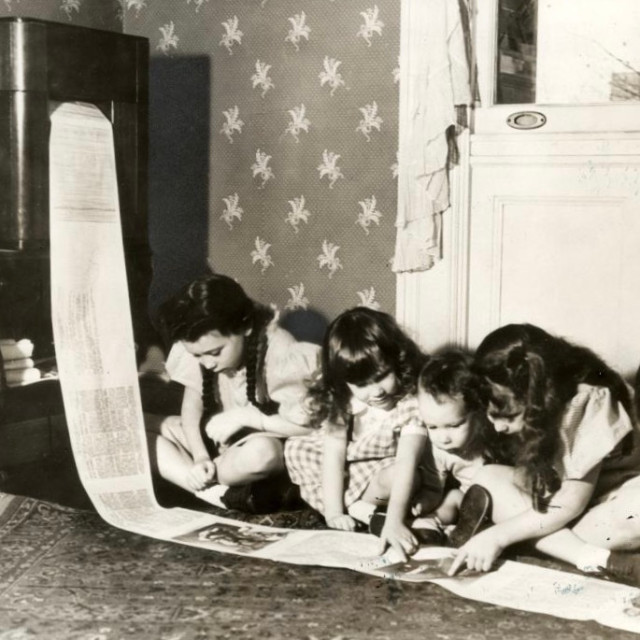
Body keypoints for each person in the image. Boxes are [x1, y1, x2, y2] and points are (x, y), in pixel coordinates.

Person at [448, 323, 640, 585]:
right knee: (489, 477)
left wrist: (499, 536)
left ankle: (548, 545)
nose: (498, 426)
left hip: (607, 499)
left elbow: (571, 503)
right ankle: (592, 557)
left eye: (509, 416)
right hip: (561, 508)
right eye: (492, 414)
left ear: (542, 399)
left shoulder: (589, 399)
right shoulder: (508, 393)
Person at [145, 273, 320, 512]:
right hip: (222, 450)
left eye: (215, 353)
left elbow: (313, 426)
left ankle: (208, 484)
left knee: (262, 453)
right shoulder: (202, 343)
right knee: (135, 431)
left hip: (268, 455)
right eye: (197, 355)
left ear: (245, 327)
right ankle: (218, 494)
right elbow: (191, 408)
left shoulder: (281, 350)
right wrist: (200, 458)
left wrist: (249, 418)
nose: (207, 364)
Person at [284, 307, 439, 556]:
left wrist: (394, 522)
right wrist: (333, 512)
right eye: (362, 384)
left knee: (407, 478)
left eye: (382, 376)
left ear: (397, 360)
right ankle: (357, 509)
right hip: (346, 470)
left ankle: (370, 512)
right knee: (300, 450)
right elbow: (333, 456)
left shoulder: (410, 402)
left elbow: (407, 461)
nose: (376, 391)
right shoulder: (344, 401)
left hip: (385, 474)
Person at [378, 351, 509, 558]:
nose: (443, 438)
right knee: (453, 498)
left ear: (477, 411)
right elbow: (433, 486)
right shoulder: (437, 449)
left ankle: (481, 529)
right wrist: (424, 502)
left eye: (454, 425)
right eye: (433, 427)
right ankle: (434, 525)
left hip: (502, 498)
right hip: (470, 502)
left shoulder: (494, 429)